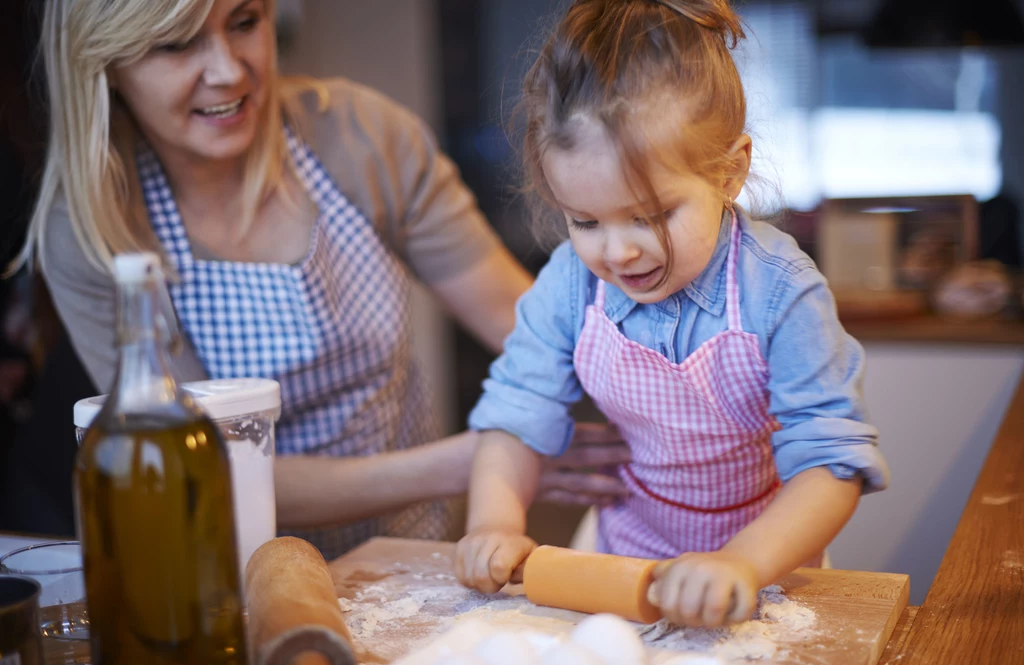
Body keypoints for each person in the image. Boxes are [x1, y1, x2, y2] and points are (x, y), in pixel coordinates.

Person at [15, 0, 628, 558]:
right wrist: (487, 457)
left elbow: (538, 330)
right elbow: (212, 468)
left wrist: (696, 383)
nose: (229, 71)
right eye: (176, 45)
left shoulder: (362, 137)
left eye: (245, 21)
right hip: (231, 577)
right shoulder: (93, 232)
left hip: (407, 553)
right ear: (106, 62)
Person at [454, 0, 890, 628]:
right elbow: (517, 415)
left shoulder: (780, 294)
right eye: (585, 221)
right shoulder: (572, 287)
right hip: (621, 557)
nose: (619, 250)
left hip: (765, 568)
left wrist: (740, 563)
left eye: (651, 215)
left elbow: (830, 463)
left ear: (729, 171)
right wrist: (493, 522)